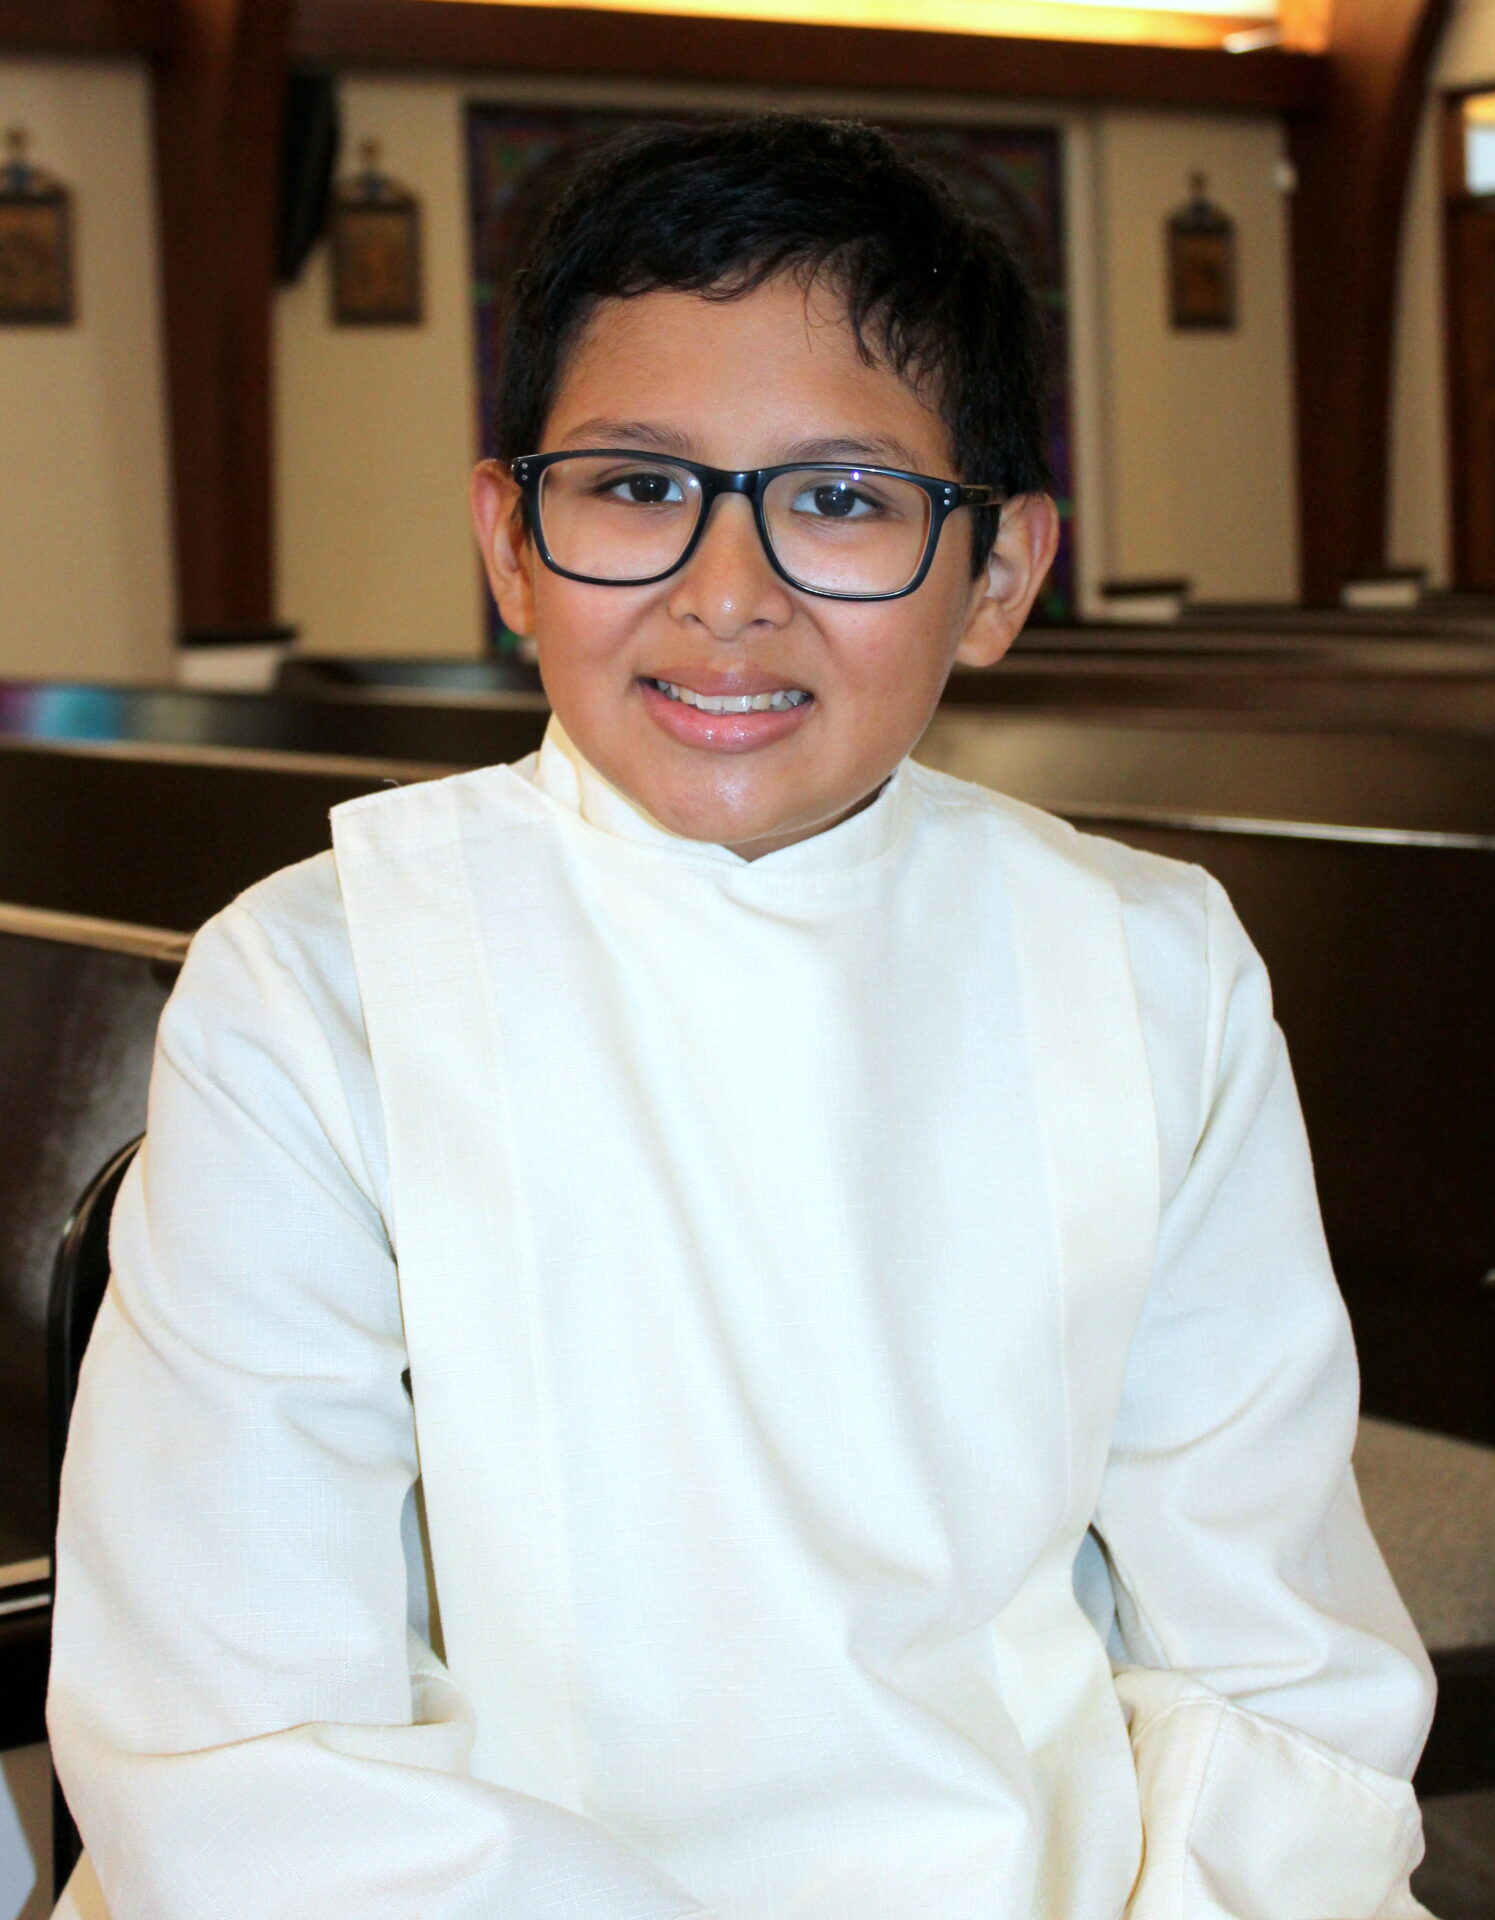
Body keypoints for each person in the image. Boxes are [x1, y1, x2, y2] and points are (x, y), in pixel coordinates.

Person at [48, 116, 1436, 1920]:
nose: (726, 592)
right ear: (510, 541)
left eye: (842, 500)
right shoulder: (321, 990)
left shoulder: (1150, 967)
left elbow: (1275, 1652)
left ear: (1002, 572)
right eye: (635, 486)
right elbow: (243, 1749)